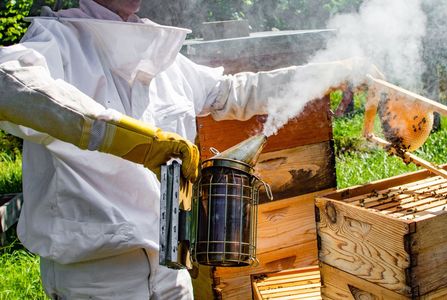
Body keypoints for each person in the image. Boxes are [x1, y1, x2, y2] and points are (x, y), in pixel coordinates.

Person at [0, 0, 384, 298]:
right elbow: (7, 85)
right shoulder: (55, 41)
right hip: (96, 276)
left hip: (173, 264)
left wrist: (331, 72)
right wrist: (129, 139)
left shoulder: (161, 56)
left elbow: (234, 92)